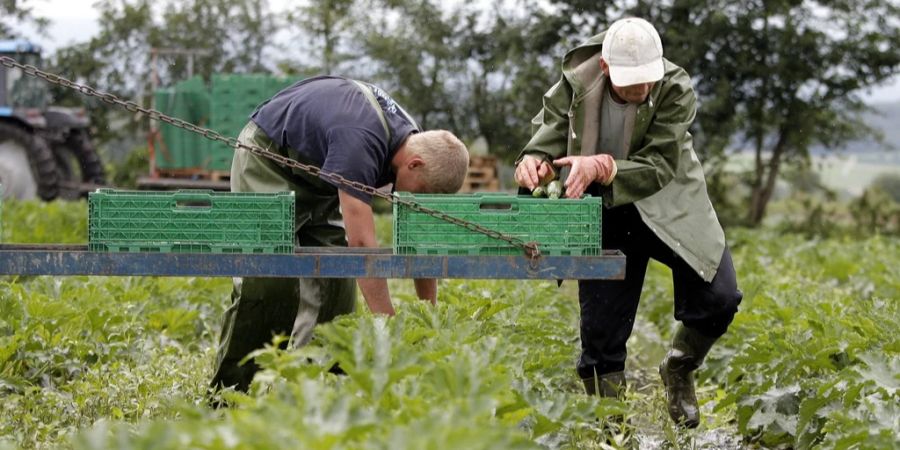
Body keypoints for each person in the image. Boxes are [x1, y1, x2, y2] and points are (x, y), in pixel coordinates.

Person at [514, 17, 742, 428]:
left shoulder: (675, 88)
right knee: (601, 336)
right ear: (605, 68)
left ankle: (680, 368)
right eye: (630, 84)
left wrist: (605, 165)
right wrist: (534, 160)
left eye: (647, 82)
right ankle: (611, 426)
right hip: (605, 207)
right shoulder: (577, 81)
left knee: (720, 296)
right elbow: (549, 131)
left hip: (669, 200)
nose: (641, 91)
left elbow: (659, 164)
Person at [211, 75, 470, 393]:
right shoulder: (360, 140)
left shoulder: (413, 145)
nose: (421, 201)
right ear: (414, 165)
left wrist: (428, 318)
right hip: (268, 158)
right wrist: (385, 324)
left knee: (337, 284)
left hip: (316, 175)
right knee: (268, 280)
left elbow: (419, 239)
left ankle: (314, 388)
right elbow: (361, 244)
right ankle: (231, 393)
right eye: (424, 192)